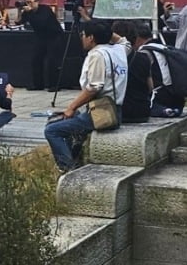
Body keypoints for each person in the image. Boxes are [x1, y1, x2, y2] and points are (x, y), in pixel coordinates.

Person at [44, 20, 127, 173]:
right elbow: (123, 40)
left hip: (101, 113)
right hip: (117, 109)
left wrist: (71, 107)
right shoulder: (119, 50)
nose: (81, 38)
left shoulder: (97, 55)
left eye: (83, 35)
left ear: (91, 38)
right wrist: (103, 29)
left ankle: (68, 168)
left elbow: (94, 87)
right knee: (68, 122)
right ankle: (75, 157)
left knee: (52, 130)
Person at [136, 24, 185, 117]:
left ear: (138, 38)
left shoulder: (144, 52)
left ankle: (163, 111)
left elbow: (147, 79)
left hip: (161, 96)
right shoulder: (163, 47)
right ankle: (173, 110)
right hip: (177, 95)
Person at [19, 0, 64, 92]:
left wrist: (30, 12)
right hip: (41, 37)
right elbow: (19, 22)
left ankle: (54, 85)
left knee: (52, 61)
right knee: (36, 59)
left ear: (37, 2)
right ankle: (38, 84)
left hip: (54, 36)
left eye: (30, 2)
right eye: (27, 2)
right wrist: (20, 11)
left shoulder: (45, 9)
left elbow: (41, 22)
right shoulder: (28, 12)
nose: (28, 4)